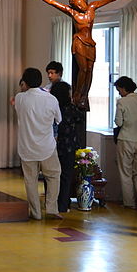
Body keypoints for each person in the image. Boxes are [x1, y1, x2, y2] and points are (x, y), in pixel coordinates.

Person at [19, 0, 137, 110]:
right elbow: (50, 1)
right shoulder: (72, 12)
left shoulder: (92, 8)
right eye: (76, 3)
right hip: (79, 42)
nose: (79, 4)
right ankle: (77, 94)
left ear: (83, 0)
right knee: (83, 69)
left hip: (90, 44)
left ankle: (84, 95)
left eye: (80, 1)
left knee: (89, 70)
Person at [13, 67, 62, 220]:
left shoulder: (20, 98)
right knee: (53, 176)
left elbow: (17, 104)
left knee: (30, 180)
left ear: (25, 82)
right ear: (41, 81)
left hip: (26, 147)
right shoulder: (51, 99)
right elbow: (59, 119)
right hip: (47, 146)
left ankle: (36, 213)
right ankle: (52, 209)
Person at [113, 76, 137, 209]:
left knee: (125, 172)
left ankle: (129, 203)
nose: (119, 93)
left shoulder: (122, 102)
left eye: (119, 90)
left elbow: (119, 122)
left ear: (124, 88)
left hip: (126, 139)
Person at [51, 81, 80, 213]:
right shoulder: (71, 108)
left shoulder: (52, 106)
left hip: (53, 145)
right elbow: (80, 119)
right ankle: (64, 205)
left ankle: (52, 203)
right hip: (69, 146)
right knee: (66, 176)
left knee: (52, 175)